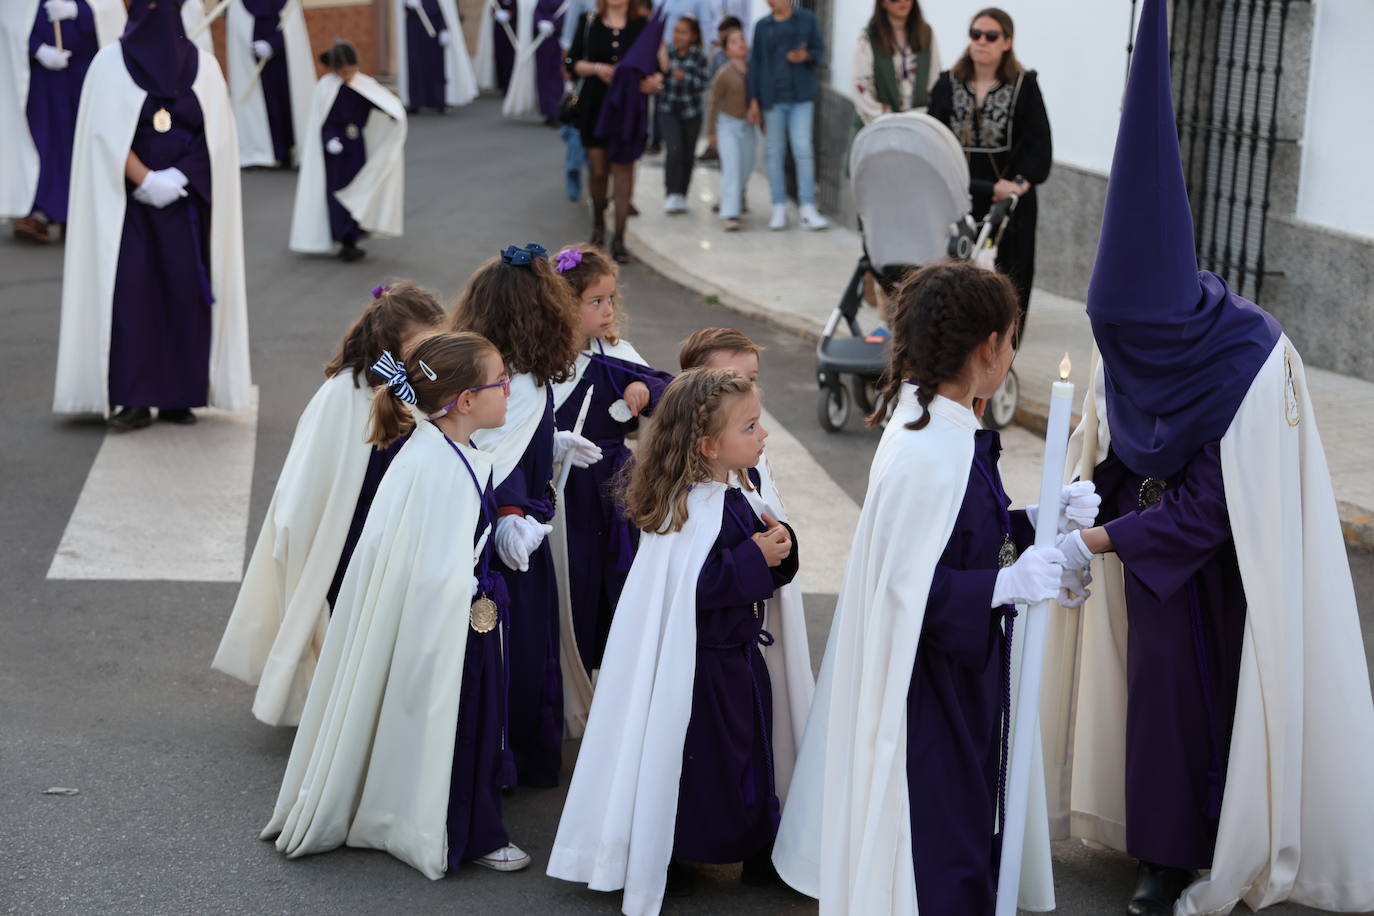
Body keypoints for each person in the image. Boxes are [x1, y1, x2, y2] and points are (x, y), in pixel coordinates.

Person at [1038, 2, 1374, 914]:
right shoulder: (1129, 340)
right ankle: (1155, 840)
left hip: (1226, 570)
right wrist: (1086, 494)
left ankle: (1192, 850)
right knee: (1152, 703)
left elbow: (1220, 508)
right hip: (1147, 551)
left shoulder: (1252, 360)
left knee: (1206, 704)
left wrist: (1102, 539)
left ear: (1170, 315)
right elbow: (1115, 440)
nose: (1119, 350)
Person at [772, 261, 1092, 912]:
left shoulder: (938, 424)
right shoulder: (929, 451)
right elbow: (906, 590)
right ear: (988, 347)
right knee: (941, 842)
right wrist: (1002, 586)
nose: (1012, 355)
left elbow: (966, 534)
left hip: (961, 677)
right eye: (1012, 340)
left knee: (966, 823)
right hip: (929, 693)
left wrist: (1040, 521)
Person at [262, 331, 533, 877]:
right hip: (452, 626)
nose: (510, 390)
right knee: (463, 727)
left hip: (459, 621)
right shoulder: (435, 465)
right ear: (466, 401)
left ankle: (458, 823)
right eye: (501, 382)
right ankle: (466, 833)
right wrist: (469, 584)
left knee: (468, 724)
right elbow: (425, 567)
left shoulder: (444, 451)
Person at [549, 367, 813, 914]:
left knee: (750, 755)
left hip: (741, 661)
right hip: (700, 669)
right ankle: (677, 849)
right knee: (701, 763)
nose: (763, 435)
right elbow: (694, 587)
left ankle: (755, 842)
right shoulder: (686, 506)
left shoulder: (735, 494)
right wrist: (753, 557)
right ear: (709, 445)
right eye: (750, 426)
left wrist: (781, 547)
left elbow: (754, 565)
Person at [212, 282, 445, 727]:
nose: (423, 355)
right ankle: (336, 709)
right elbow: (308, 482)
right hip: (350, 530)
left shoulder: (418, 387)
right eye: (416, 346)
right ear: (388, 343)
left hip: (396, 524)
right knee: (346, 617)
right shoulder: (344, 394)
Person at [53, 0, 251, 427]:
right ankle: (134, 398)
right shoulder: (109, 65)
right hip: (129, 207)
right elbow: (101, 134)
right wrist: (144, 178)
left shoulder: (204, 67)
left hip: (186, 205)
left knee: (185, 296)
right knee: (132, 298)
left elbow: (217, 137)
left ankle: (180, 396)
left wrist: (180, 176)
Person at [451, 243, 601, 788]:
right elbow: (488, 456)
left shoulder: (517, 373)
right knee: (516, 646)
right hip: (506, 535)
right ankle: (506, 758)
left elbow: (513, 441)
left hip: (525, 530)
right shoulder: (505, 378)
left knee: (531, 643)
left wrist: (552, 444)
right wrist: (512, 511)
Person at [548, 244, 674, 735]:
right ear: (563, 306)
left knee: (614, 582)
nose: (608, 310)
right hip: (563, 493)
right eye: (595, 301)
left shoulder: (615, 355)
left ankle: (611, 688)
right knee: (572, 583)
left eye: (610, 299)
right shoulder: (544, 362)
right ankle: (568, 686)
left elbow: (666, 388)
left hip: (612, 491)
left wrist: (645, 391)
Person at [927, 7, 1050, 328]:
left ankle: (1003, 348)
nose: (981, 41)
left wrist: (1016, 185)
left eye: (991, 36)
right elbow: (932, 140)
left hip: (1006, 203)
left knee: (1009, 282)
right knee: (953, 281)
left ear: (1007, 42)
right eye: (976, 34)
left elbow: (1040, 147)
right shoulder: (947, 84)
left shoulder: (1024, 86)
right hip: (959, 197)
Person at [5, 0, 125, 243]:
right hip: (40, 73)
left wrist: (79, 10)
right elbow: (11, 18)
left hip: (84, 68)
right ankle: (37, 212)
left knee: (82, 139)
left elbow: (111, 13)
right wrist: (37, 49)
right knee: (42, 139)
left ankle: (77, 214)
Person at [288, 40, 407, 263]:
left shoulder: (363, 84)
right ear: (335, 69)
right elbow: (321, 120)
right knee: (338, 191)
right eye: (344, 72)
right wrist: (329, 139)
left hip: (356, 146)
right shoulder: (325, 88)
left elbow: (376, 102)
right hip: (336, 152)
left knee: (358, 187)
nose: (349, 76)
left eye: (352, 71)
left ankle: (352, 234)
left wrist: (392, 111)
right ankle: (345, 237)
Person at [565, 0, 664, 263]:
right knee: (598, 171)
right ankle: (598, 227)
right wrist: (597, 69)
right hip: (596, 105)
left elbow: (656, 68)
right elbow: (573, 62)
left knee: (623, 171)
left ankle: (619, 239)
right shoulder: (589, 22)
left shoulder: (641, 25)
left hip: (628, 107)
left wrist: (654, 82)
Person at [746, 0, 826, 232]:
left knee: (803, 148)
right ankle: (778, 206)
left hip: (801, 96)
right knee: (774, 152)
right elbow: (756, 63)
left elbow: (819, 51)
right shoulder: (762, 26)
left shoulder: (807, 20)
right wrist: (753, 100)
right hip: (772, 98)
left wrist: (806, 56)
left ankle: (807, 207)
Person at [226, 0, 313, 168]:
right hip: (255, 68)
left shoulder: (289, 3)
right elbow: (238, 30)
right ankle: (267, 153)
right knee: (265, 109)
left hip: (284, 65)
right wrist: (251, 45)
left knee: (287, 106)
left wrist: (274, 45)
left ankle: (291, 152)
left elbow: (293, 28)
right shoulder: (238, 4)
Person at [851, 0, 940, 126]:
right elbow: (860, 87)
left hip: (917, 125)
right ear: (883, 3)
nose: (902, 1)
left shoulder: (926, 33)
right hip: (878, 125)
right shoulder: (869, 37)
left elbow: (934, 79)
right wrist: (889, 120)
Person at [657, 14, 709, 214]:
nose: (678, 36)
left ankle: (682, 194)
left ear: (693, 36)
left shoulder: (699, 57)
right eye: (676, 31)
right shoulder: (667, 54)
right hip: (668, 110)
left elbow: (703, 83)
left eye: (683, 32)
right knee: (674, 150)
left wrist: (683, 77)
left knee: (688, 154)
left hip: (691, 112)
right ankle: (671, 193)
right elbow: (657, 77)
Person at [704, 24, 751, 230]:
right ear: (726, 50)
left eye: (742, 39)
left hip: (747, 126)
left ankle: (730, 197)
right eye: (734, 42)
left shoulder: (753, 70)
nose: (740, 44)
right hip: (727, 125)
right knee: (731, 166)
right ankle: (731, 213)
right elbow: (713, 103)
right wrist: (711, 132)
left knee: (746, 166)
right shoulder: (723, 73)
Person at [394, 0, 479, 113]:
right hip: (414, 29)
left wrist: (444, 28)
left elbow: (445, 8)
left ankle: (440, 101)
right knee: (415, 66)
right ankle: (415, 101)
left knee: (436, 66)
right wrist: (408, 5)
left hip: (435, 26)